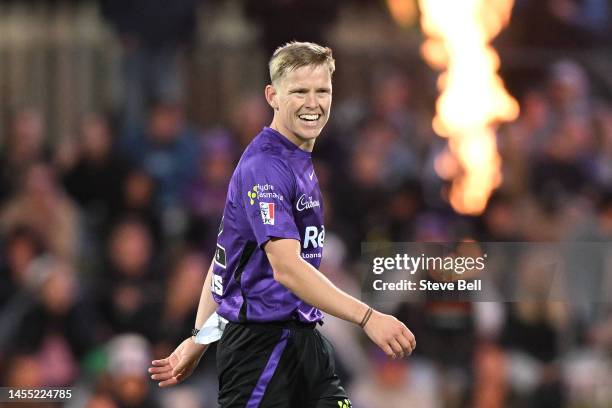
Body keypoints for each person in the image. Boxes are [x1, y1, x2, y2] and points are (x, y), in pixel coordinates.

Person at [148, 41, 416, 407]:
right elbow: (286, 268)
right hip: (261, 352)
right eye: (300, 91)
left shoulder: (296, 158)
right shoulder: (266, 166)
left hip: (303, 340)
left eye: (322, 91)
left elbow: (228, 255)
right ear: (273, 96)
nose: (313, 102)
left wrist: (199, 338)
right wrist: (367, 317)